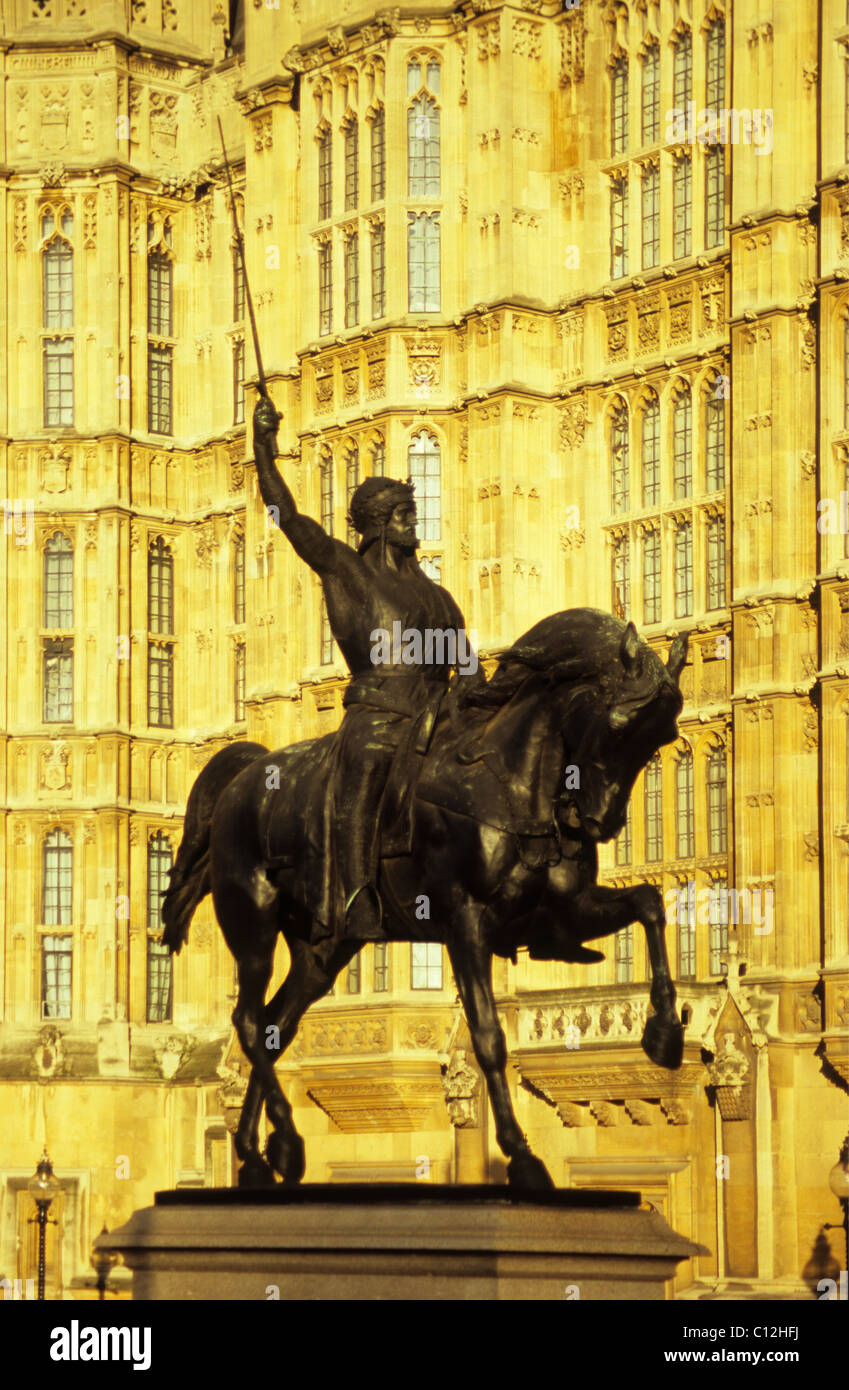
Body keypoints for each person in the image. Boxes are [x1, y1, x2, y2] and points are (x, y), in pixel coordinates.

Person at [252, 394, 475, 941]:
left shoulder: (438, 597)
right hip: (378, 716)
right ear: (376, 523)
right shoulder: (348, 571)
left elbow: (468, 673)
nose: (411, 524)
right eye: (402, 515)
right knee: (369, 766)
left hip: (434, 721)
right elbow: (290, 519)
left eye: (411, 515)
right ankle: (357, 895)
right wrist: (263, 450)